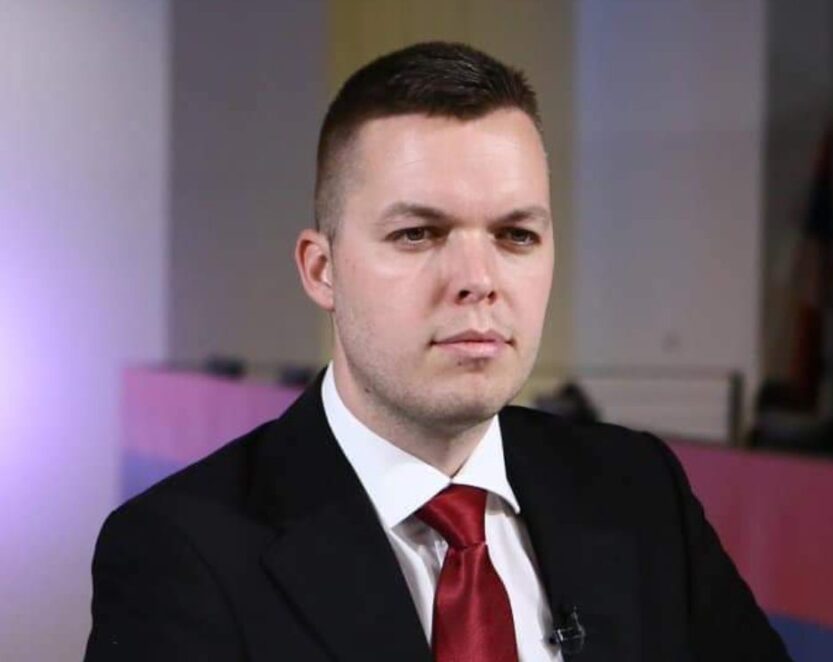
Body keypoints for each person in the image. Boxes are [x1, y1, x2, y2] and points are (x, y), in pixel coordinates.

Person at [84, 42, 791, 661]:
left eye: (516, 236)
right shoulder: (182, 553)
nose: (477, 280)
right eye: (417, 234)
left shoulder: (640, 493)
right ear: (322, 270)